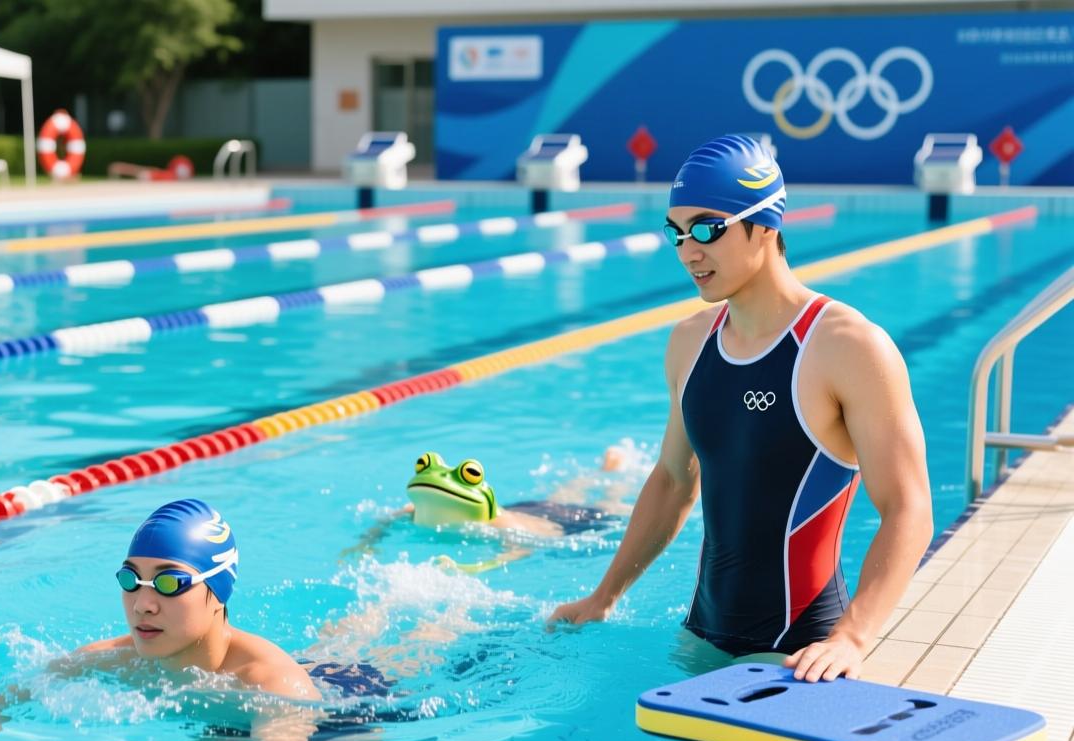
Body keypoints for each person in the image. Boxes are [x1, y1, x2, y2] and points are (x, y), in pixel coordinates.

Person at [548, 134, 933, 683]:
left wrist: (852, 638)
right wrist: (603, 597)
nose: (688, 251)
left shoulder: (846, 346)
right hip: (699, 636)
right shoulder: (689, 342)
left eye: (707, 228)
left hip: (800, 653)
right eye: (676, 233)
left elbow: (909, 506)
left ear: (766, 225)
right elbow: (672, 483)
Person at [0, 498, 449, 741]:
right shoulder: (123, 655)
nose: (144, 603)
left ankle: (441, 626)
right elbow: (4, 693)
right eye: (131, 579)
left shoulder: (265, 676)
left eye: (171, 583)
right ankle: (382, 607)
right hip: (250, 704)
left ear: (217, 592)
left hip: (337, 708)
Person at [344, 449, 634, 572]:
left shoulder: (498, 525)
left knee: (607, 506)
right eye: (423, 465)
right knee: (560, 495)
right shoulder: (413, 509)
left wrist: (469, 568)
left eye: (468, 474)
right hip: (524, 510)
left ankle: (612, 474)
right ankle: (605, 469)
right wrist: (366, 544)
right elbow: (387, 519)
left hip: (559, 524)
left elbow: (519, 550)